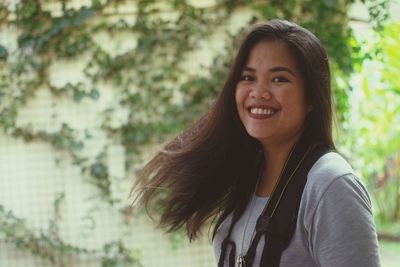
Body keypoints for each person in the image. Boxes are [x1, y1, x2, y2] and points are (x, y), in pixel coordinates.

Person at [132, 19, 381, 267]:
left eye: (279, 79)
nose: (258, 92)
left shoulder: (330, 184)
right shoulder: (247, 175)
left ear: (311, 98)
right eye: (248, 77)